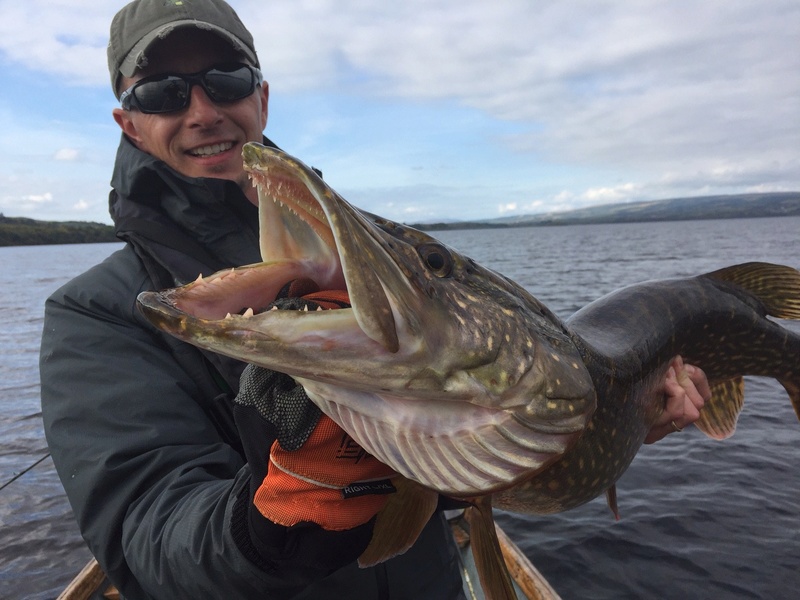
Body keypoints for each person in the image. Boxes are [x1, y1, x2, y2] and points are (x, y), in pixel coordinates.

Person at [39, 1, 711, 598]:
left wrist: (613, 422)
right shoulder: (95, 313)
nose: (203, 110)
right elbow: (148, 542)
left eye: (226, 80)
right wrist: (278, 520)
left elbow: (456, 460)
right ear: (128, 124)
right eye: (162, 92)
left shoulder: (362, 267)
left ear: (261, 99)